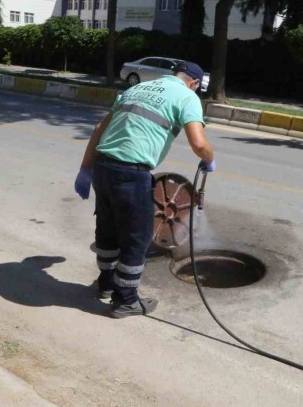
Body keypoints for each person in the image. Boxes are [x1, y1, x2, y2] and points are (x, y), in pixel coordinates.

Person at [74, 61, 215, 319]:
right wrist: (208, 159)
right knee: (135, 238)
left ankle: (105, 284)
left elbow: (98, 129)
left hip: (102, 168)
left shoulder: (138, 88)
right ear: (194, 83)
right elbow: (198, 142)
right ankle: (126, 300)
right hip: (131, 172)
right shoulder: (187, 96)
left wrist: (85, 169)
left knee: (108, 231)